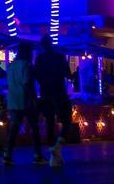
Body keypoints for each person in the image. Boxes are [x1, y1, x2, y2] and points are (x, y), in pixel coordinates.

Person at [4, 43, 45, 166]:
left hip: (13, 100)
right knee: (34, 128)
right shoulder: (27, 66)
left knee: (14, 129)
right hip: (26, 101)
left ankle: (8, 154)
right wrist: (33, 99)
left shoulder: (11, 66)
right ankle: (37, 155)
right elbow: (27, 84)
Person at [33, 35, 72, 166]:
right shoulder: (59, 57)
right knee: (67, 121)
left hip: (45, 93)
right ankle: (59, 145)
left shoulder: (39, 59)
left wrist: (44, 82)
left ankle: (53, 156)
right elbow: (68, 73)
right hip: (59, 92)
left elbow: (36, 75)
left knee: (50, 123)